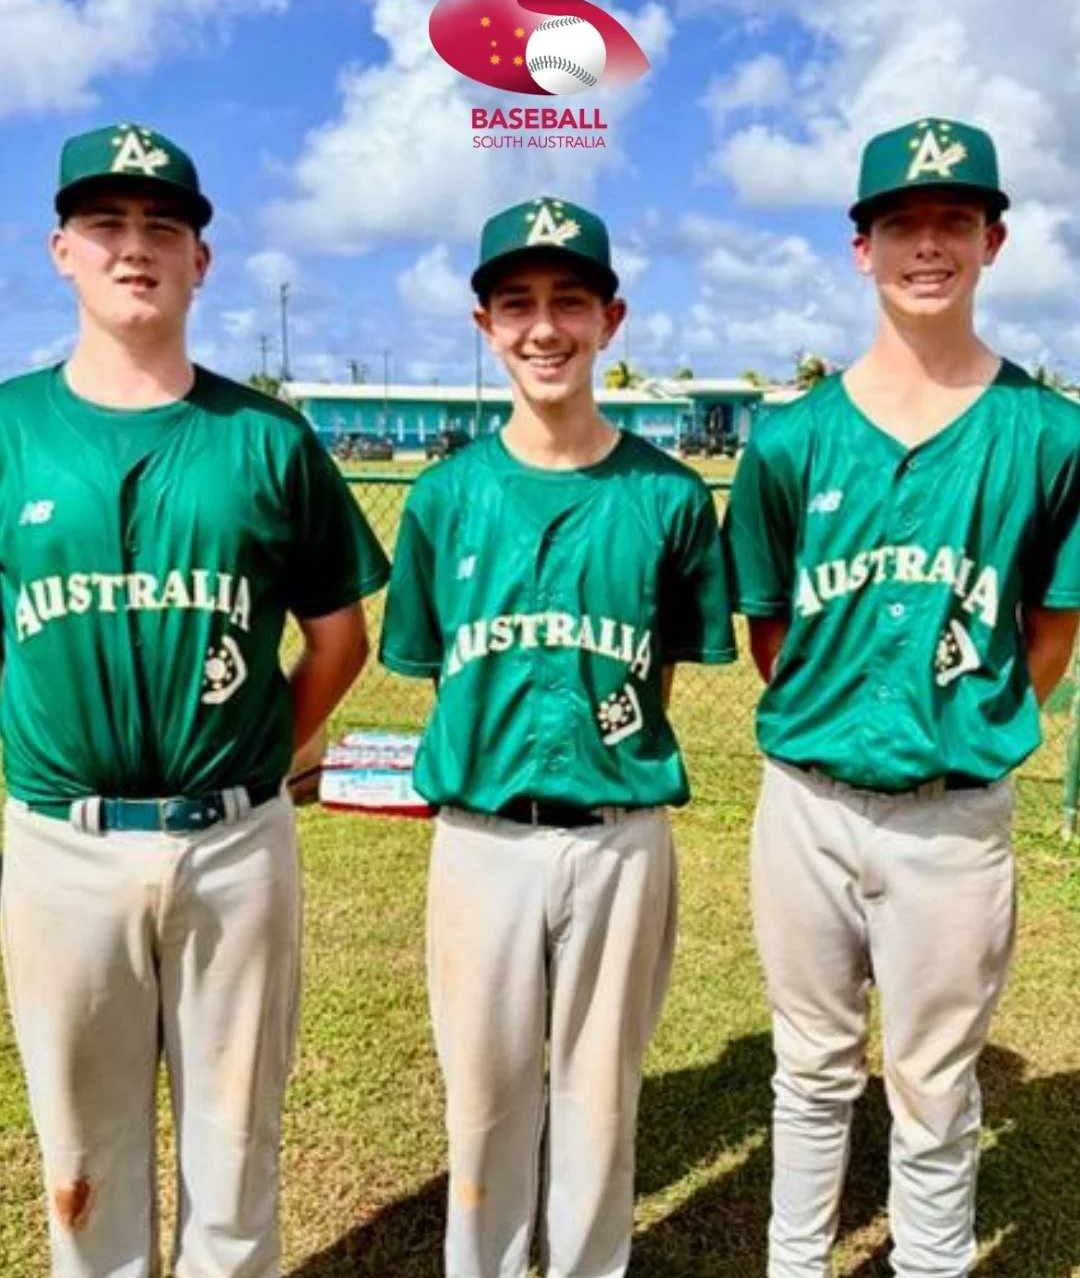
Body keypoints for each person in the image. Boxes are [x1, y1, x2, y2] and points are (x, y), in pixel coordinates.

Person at [0, 121, 389, 1278]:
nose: (136, 248)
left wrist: (270, 745)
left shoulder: (267, 436)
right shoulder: (10, 429)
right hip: (63, 843)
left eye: (163, 227)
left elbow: (336, 634)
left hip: (233, 840)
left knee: (234, 1156)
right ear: (61, 247)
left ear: (201, 262)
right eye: (108, 225)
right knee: (82, 1164)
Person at [723, 116, 1080, 1276]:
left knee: (935, 1078)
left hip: (954, 813)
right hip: (808, 802)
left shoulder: (1048, 433)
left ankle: (930, 1263)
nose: (928, 245)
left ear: (994, 239)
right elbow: (771, 627)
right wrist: (837, 725)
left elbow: (1052, 626)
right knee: (812, 1065)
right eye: (902, 224)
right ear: (860, 246)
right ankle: (794, 1261)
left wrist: (958, 731)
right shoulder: (791, 440)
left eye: (953, 221)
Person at [380, 194, 736, 1278]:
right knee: (485, 1106)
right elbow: (438, 665)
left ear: (610, 321)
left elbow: (659, 668)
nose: (544, 327)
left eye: (569, 302)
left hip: (621, 833)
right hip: (480, 837)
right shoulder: (444, 497)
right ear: (484, 325)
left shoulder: (670, 497)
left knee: (599, 1104)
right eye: (517, 303)